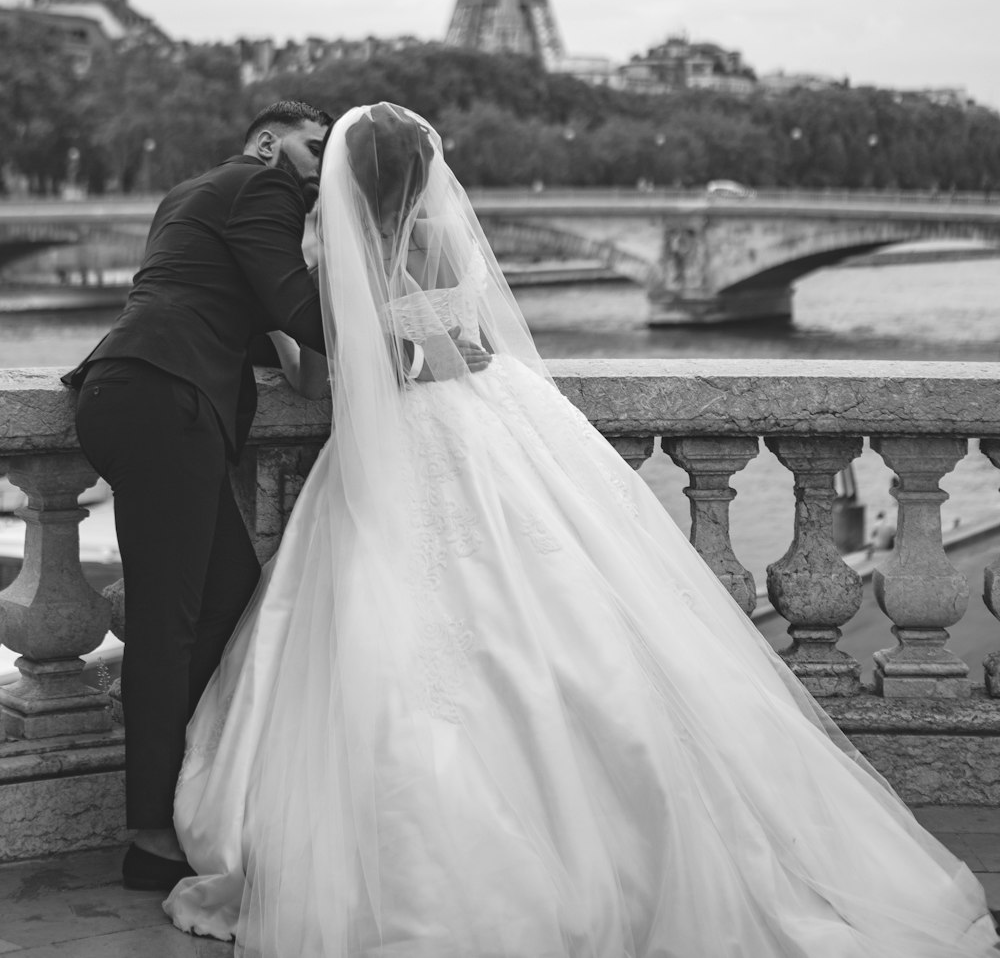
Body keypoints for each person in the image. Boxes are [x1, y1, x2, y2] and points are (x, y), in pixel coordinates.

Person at [164, 103, 997, 957]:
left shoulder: (331, 253)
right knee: (578, 602)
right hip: (498, 426)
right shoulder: (441, 238)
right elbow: (475, 345)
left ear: (344, 176)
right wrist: (429, 346)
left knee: (399, 628)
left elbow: (323, 378)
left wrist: (320, 341)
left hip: (398, 447)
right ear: (425, 174)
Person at [67, 99, 331, 893]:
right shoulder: (262, 187)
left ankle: (193, 787)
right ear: (266, 141)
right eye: (314, 146)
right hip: (162, 402)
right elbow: (305, 314)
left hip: (137, 394)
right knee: (167, 621)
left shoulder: (191, 196)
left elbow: (261, 329)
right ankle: (151, 835)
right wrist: (414, 318)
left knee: (227, 594)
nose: (324, 164)